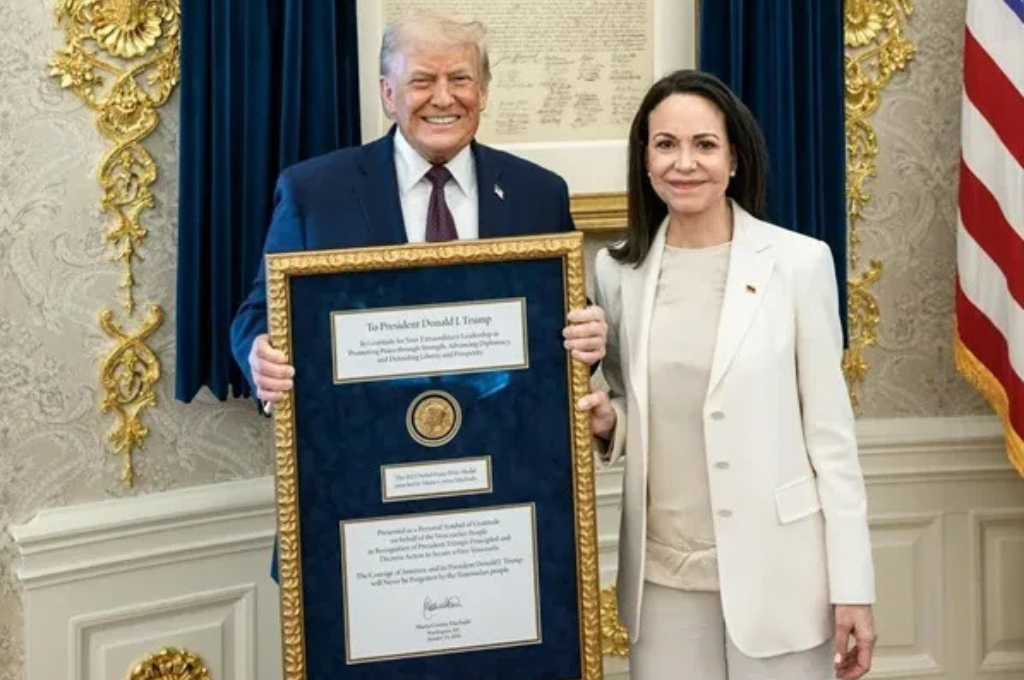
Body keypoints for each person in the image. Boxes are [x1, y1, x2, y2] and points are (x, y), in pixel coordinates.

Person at [576, 70, 877, 680]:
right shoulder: (615, 271)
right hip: (662, 577)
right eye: (666, 145)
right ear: (645, 158)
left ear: (734, 158)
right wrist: (610, 421)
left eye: (704, 145)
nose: (685, 163)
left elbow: (832, 440)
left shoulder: (798, 263)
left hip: (781, 572)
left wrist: (854, 586)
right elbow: (635, 407)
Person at [230, 11, 607, 403]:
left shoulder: (539, 194)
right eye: (422, 81)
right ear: (389, 94)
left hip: (502, 439)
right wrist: (260, 355)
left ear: (483, 91)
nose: (443, 98)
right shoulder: (313, 193)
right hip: (361, 440)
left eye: (460, 79)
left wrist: (589, 336)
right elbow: (258, 315)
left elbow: (562, 321)